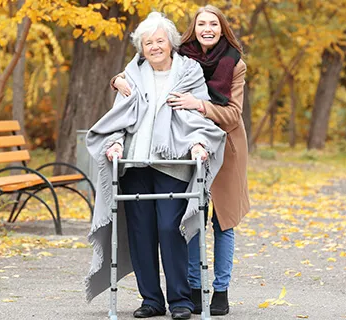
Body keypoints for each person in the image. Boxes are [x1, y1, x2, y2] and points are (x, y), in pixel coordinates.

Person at [85, 12, 227, 320]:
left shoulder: (189, 71)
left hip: (172, 162)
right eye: (148, 42)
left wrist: (198, 143)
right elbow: (120, 116)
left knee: (169, 228)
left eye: (160, 41)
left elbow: (195, 117)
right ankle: (151, 299)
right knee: (141, 232)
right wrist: (116, 143)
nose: (154, 47)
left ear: (171, 43)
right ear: (141, 47)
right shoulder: (131, 74)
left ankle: (180, 301)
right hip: (135, 163)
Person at [111, 5, 250, 316]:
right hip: (157, 156)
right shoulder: (170, 59)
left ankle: (213, 292)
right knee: (163, 227)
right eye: (202, 23)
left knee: (214, 222)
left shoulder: (223, 65)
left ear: (222, 28)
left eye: (214, 23)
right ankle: (170, 295)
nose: (207, 28)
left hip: (217, 148)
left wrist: (198, 113)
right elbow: (130, 81)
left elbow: (228, 115)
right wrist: (116, 81)